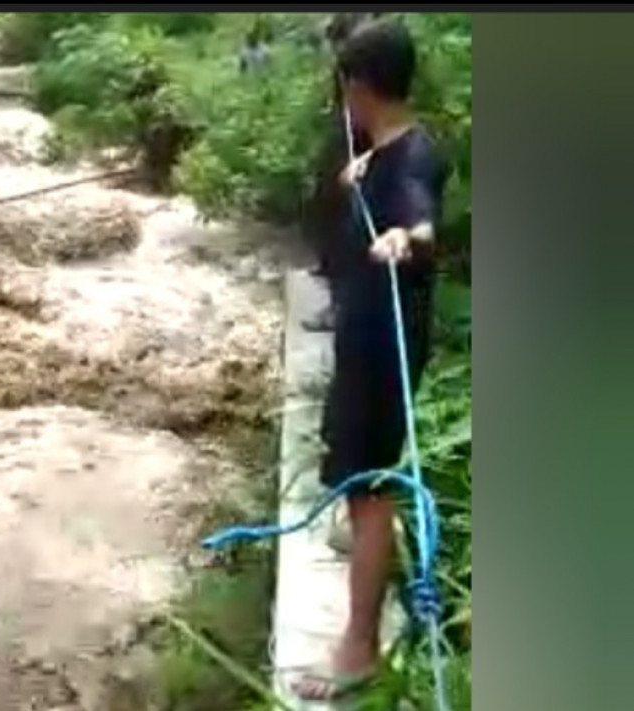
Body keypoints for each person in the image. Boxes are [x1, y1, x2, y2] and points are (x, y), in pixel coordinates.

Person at [293, 18, 451, 702]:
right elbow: (397, 175)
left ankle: (357, 647)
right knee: (360, 481)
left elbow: (418, 221)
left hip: (380, 352)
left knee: (369, 492)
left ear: (358, 86)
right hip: (371, 346)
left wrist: (402, 239)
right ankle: (360, 548)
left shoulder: (408, 162)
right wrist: (360, 173)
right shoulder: (397, 148)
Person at [300, 13, 382, 332]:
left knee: (341, 216)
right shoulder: (353, 27)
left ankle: (340, 305)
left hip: (361, 135)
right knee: (323, 204)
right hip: (348, 128)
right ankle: (330, 272)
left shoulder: (369, 35)